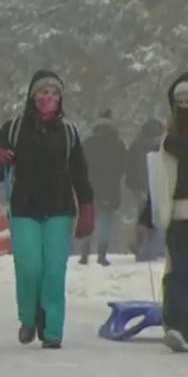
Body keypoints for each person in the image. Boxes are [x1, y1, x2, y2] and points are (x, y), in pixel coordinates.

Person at [0, 70, 94, 349]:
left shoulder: (69, 132)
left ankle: (52, 330)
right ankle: (28, 318)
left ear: (60, 99)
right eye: (42, 93)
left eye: (54, 94)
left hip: (60, 210)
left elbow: (80, 174)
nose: (48, 99)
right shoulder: (13, 128)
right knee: (29, 268)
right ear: (32, 97)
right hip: (25, 208)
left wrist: (87, 207)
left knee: (54, 271)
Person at [147, 72, 188, 352]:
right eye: (180, 100)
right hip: (179, 215)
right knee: (179, 273)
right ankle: (177, 326)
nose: (184, 104)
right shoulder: (168, 142)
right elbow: (159, 184)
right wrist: (148, 216)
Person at [80, 109, 127, 266]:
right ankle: (102, 254)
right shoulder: (118, 144)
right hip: (110, 187)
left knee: (89, 219)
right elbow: (122, 166)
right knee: (106, 221)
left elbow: (80, 165)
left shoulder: (88, 142)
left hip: (90, 186)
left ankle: (85, 253)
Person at [127, 117, 166, 261]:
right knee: (150, 218)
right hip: (149, 185)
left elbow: (129, 166)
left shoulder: (136, 143)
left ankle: (140, 244)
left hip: (139, 185)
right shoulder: (153, 145)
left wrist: (132, 185)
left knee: (143, 217)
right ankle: (145, 248)